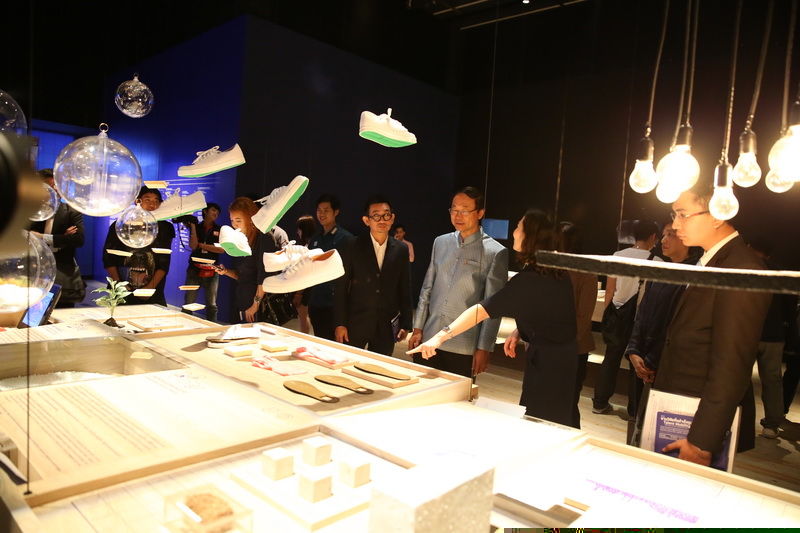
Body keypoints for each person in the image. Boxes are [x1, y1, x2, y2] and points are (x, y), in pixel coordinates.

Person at [409, 209, 579, 427]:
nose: (514, 232)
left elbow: (480, 310)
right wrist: (519, 331)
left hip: (549, 363)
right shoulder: (553, 270)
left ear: (530, 236)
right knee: (557, 414)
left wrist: (439, 337)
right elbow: (546, 311)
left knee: (544, 419)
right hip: (562, 357)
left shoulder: (530, 279)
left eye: (519, 227)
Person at [656, 182, 771, 466]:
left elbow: (732, 363)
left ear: (718, 214)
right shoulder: (710, 259)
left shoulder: (742, 268)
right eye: (673, 215)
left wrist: (702, 441)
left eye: (683, 214)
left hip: (698, 418)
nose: (676, 224)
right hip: (677, 405)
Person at [408, 186, 508, 378]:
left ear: (480, 213)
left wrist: (484, 347)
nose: (458, 216)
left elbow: (493, 306)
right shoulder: (440, 242)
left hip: (465, 344)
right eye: (454, 210)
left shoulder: (495, 252)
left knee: (458, 396)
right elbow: (427, 288)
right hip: (429, 337)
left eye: (465, 210)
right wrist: (418, 328)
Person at [625, 220, 701, 444]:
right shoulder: (661, 270)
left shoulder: (693, 277)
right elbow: (642, 313)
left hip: (668, 364)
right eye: (664, 235)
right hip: (645, 360)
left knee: (660, 430)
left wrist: (651, 360)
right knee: (639, 423)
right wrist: (634, 350)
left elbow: (674, 325)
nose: (664, 241)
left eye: (671, 235)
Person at [592, 219, 661, 417]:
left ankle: (599, 403)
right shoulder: (657, 262)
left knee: (610, 359)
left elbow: (610, 289)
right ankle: (634, 410)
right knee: (636, 363)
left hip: (617, 314)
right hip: (641, 320)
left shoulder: (617, 256)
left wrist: (609, 315)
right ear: (653, 237)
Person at [334, 195, 412, 356]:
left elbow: (405, 286)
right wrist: (340, 323)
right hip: (356, 322)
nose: (382, 220)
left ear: (392, 218)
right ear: (366, 220)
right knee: (348, 364)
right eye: (376, 216)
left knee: (379, 368)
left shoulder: (401, 249)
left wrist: (406, 323)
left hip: (386, 324)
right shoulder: (352, 245)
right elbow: (341, 286)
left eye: (386, 215)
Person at [748, 238, 797, 439]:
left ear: (749, 247)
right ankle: (771, 425)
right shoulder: (781, 273)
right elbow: (790, 308)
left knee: (739, 378)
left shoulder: (746, 269)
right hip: (774, 335)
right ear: (769, 254)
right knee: (773, 381)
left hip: (748, 332)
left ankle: (735, 420)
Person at [213, 197, 289, 323]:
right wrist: (226, 272)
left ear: (250, 218)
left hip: (258, 308)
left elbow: (263, 277)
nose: (234, 225)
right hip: (243, 302)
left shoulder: (263, 238)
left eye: (238, 220)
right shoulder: (244, 240)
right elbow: (243, 275)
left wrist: (255, 305)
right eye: (232, 220)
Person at [103, 187, 175, 307]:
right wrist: (119, 283)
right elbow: (108, 257)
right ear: (137, 201)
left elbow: (164, 260)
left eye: (156, 201)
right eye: (147, 200)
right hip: (122, 288)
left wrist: (150, 287)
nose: (152, 204)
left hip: (153, 288)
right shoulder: (121, 225)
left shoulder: (165, 227)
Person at [558, 221, 598, 427]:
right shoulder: (549, 267)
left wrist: (561, 346)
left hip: (572, 349)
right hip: (550, 347)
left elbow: (583, 318)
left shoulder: (585, 272)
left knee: (568, 402)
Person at [28, 168, 86, 307]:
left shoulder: (71, 211)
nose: (54, 189)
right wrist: (62, 238)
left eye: (57, 185)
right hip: (33, 271)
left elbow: (78, 239)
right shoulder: (30, 211)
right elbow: (25, 236)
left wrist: (42, 237)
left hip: (62, 273)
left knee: (63, 311)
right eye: (49, 186)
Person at [306, 194, 353, 340]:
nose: (322, 214)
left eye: (326, 210)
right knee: (320, 342)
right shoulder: (315, 239)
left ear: (335, 212)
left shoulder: (346, 238)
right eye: (319, 210)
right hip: (316, 302)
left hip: (335, 304)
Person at [182, 202, 224, 322]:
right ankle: (185, 327)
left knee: (212, 305)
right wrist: (193, 227)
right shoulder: (197, 227)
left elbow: (221, 249)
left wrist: (201, 245)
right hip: (194, 269)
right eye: (213, 210)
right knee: (188, 303)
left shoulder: (219, 229)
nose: (216, 213)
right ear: (205, 211)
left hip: (212, 270)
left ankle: (212, 328)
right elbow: (193, 246)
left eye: (217, 212)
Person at [294, 214, 317, 334]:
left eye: (299, 229)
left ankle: (304, 338)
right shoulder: (314, 243)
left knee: (303, 315)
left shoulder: (308, 247)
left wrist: (299, 293)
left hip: (306, 288)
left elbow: (305, 271)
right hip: (310, 287)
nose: (298, 232)